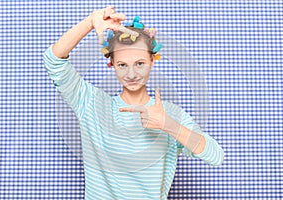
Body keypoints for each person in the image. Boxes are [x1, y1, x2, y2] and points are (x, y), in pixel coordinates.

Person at [43, 6, 224, 200]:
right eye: (122, 65)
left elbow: (215, 155)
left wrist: (167, 125)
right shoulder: (90, 103)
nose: (131, 75)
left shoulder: (169, 113)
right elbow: (53, 60)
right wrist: (90, 22)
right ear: (111, 63)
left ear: (152, 61)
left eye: (139, 63)